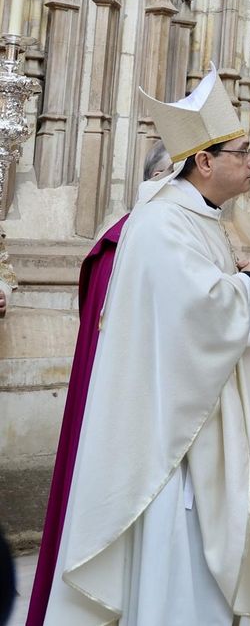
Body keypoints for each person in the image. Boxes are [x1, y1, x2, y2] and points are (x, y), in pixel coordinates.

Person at [45, 69, 250, 625]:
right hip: (172, 437)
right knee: (179, 558)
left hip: (196, 419)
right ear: (204, 161)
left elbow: (204, 304)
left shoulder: (198, 217)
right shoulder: (163, 221)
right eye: (244, 151)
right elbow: (196, 317)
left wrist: (248, 281)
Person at [29, 142, 172, 625]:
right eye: (175, 175)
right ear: (154, 180)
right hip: (125, 411)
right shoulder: (123, 244)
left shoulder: (172, 239)